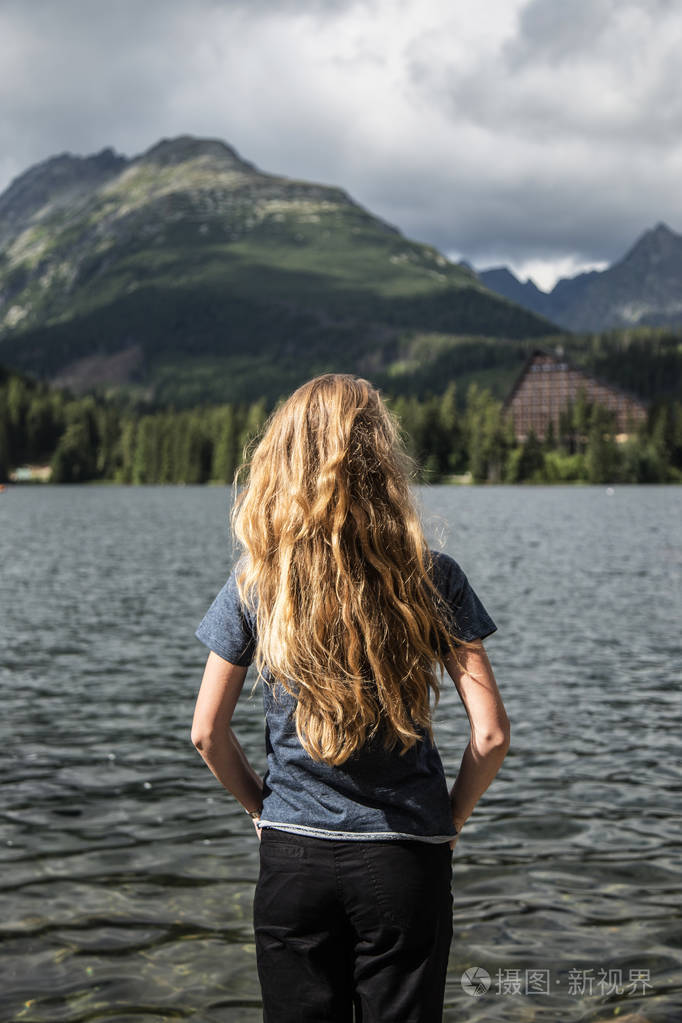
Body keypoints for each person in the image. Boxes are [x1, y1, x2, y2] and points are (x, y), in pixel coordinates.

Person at [191, 373, 510, 1023]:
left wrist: (262, 808)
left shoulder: (258, 581)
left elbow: (205, 733)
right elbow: (491, 734)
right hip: (405, 858)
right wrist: (451, 819)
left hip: (292, 862)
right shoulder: (430, 575)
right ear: (380, 460)